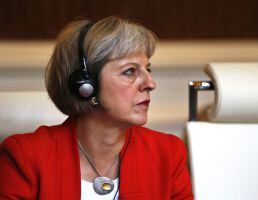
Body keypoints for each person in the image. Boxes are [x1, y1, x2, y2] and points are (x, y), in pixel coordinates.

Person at [0, 16, 194, 199]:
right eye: (130, 71)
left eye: (147, 69)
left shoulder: (168, 154)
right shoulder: (24, 157)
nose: (150, 83)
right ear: (85, 85)